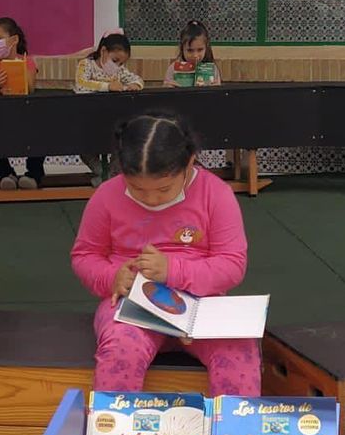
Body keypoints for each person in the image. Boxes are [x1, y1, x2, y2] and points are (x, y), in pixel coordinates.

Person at [71, 112, 259, 396]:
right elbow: (85, 255)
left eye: (163, 188)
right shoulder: (107, 196)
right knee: (120, 349)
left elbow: (232, 264)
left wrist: (173, 271)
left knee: (238, 351)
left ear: (190, 162)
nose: (151, 198)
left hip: (202, 307)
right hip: (131, 305)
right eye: (137, 188)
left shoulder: (215, 193)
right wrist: (112, 277)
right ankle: (117, 434)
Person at [0, 17, 44, 190]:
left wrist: (18, 70)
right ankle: (6, 173)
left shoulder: (27, 61)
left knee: (42, 128)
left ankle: (34, 174)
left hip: (26, 116)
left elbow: (30, 88)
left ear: (14, 40)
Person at [74, 29, 144, 184]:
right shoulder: (86, 65)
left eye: (122, 63)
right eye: (115, 60)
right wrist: (107, 86)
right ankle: (102, 174)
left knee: (121, 148)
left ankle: (110, 178)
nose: (118, 65)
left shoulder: (119, 71)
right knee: (85, 151)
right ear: (103, 51)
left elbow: (138, 79)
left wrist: (135, 85)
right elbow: (81, 85)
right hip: (88, 123)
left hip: (112, 123)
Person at [163, 20, 220, 87]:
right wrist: (167, 89)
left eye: (200, 50)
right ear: (182, 49)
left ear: (206, 48)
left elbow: (219, 96)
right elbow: (164, 95)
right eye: (190, 50)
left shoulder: (213, 70)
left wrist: (216, 90)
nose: (195, 55)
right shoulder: (173, 69)